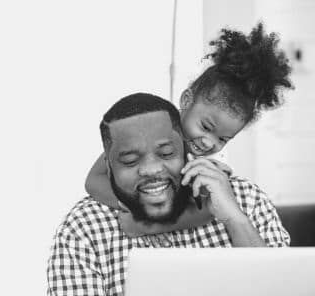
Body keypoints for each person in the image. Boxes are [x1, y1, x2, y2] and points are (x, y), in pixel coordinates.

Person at [47, 92, 290, 296]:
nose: (208, 143)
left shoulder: (243, 198)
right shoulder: (84, 227)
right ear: (109, 166)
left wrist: (233, 217)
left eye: (166, 154)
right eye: (130, 160)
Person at [85, 22, 292, 238]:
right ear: (186, 100)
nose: (209, 143)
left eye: (223, 139)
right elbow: (92, 181)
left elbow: (205, 213)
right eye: (206, 127)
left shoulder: (203, 167)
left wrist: (148, 224)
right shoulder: (149, 129)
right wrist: (133, 206)